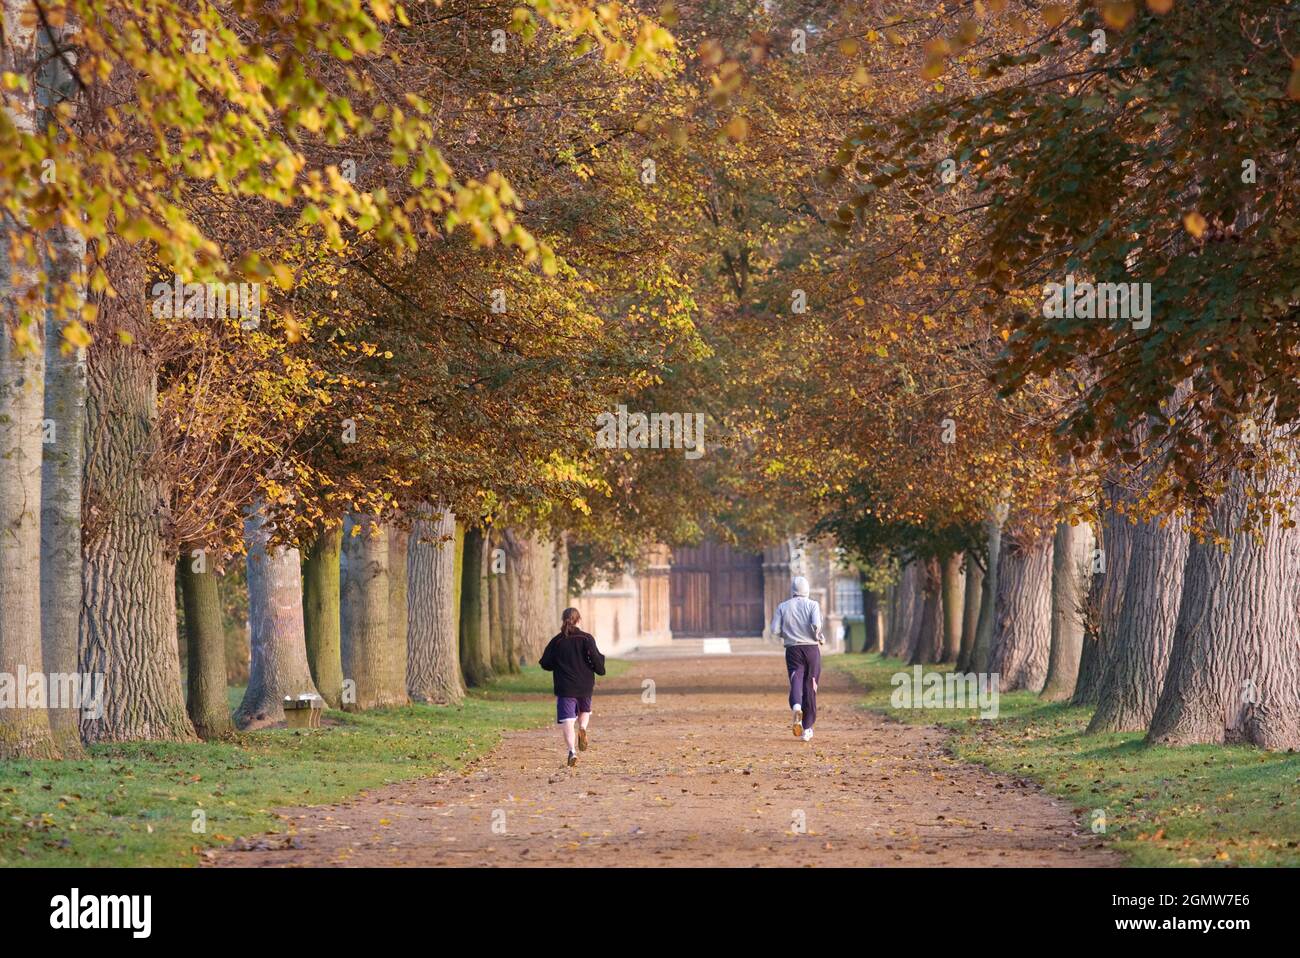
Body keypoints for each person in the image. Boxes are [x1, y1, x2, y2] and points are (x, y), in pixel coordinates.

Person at [539, 607, 606, 767]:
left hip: (565, 685)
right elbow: (595, 658)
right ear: (579, 620)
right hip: (585, 683)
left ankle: (572, 752)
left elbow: (545, 662)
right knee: (585, 711)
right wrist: (600, 669)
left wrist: (557, 665)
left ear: (563, 620)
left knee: (568, 721)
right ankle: (582, 728)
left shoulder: (557, 641)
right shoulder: (586, 638)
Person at [769, 575, 824, 742]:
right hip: (811, 649)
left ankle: (796, 706)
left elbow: (774, 630)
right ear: (807, 590)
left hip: (793, 649)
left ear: (792, 590)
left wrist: (786, 635)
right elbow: (816, 625)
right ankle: (807, 729)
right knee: (811, 685)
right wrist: (818, 636)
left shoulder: (783, 607)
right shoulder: (813, 604)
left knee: (796, 679)